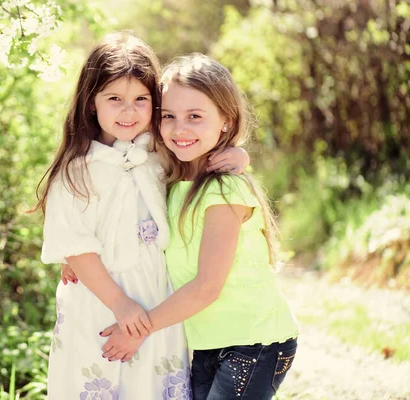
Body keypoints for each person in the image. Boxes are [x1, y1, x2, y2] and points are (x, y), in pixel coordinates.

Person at [34, 33, 249, 399]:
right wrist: (119, 303)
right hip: (100, 299)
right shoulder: (76, 173)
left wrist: (240, 157)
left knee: (150, 385)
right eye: (114, 99)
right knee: (97, 380)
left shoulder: (159, 155)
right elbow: (75, 246)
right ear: (91, 103)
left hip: (156, 298)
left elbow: (203, 159)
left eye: (141, 100)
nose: (128, 111)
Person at [99, 54, 299, 400]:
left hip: (254, 341)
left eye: (195, 116)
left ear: (226, 120)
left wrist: (138, 330)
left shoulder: (223, 190)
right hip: (210, 341)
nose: (180, 129)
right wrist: (79, 252)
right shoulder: (170, 181)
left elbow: (207, 286)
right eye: (169, 117)